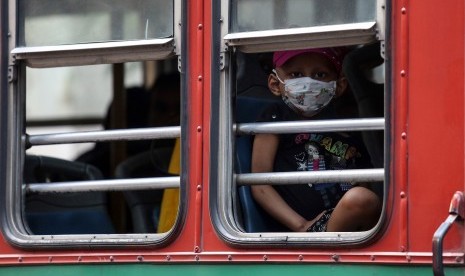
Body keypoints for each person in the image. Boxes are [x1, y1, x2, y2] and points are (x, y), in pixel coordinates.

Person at [250, 47, 381, 232]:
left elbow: (363, 180)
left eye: (320, 74)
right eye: (296, 74)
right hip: (304, 232)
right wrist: (301, 225)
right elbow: (260, 184)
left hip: (349, 225)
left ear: (339, 85)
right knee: (360, 199)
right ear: (274, 84)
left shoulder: (348, 128)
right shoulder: (275, 117)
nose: (308, 83)